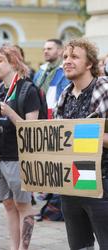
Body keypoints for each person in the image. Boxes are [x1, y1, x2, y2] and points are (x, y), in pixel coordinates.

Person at [54, 38, 108, 250]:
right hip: (72, 182)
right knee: (79, 246)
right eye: (65, 57)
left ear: (89, 64)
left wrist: (78, 134)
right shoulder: (64, 95)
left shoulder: (103, 89)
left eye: (74, 57)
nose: (67, 61)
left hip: (102, 182)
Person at [0, 45, 39, 250]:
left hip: (19, 157)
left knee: (23, 205)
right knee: (8, 205)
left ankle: (23, 248)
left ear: (13, 62)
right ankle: (14, 247)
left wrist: (9, 112)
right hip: (0, 157)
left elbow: (31, 129)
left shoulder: (28, 89)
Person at [33, 39, 69, 118]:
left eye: (49, 49)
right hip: (39, 113)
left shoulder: (66, 70)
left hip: (56, 114)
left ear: (60, 51)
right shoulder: (41, 71)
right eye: (44, 49)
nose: (45, 51)